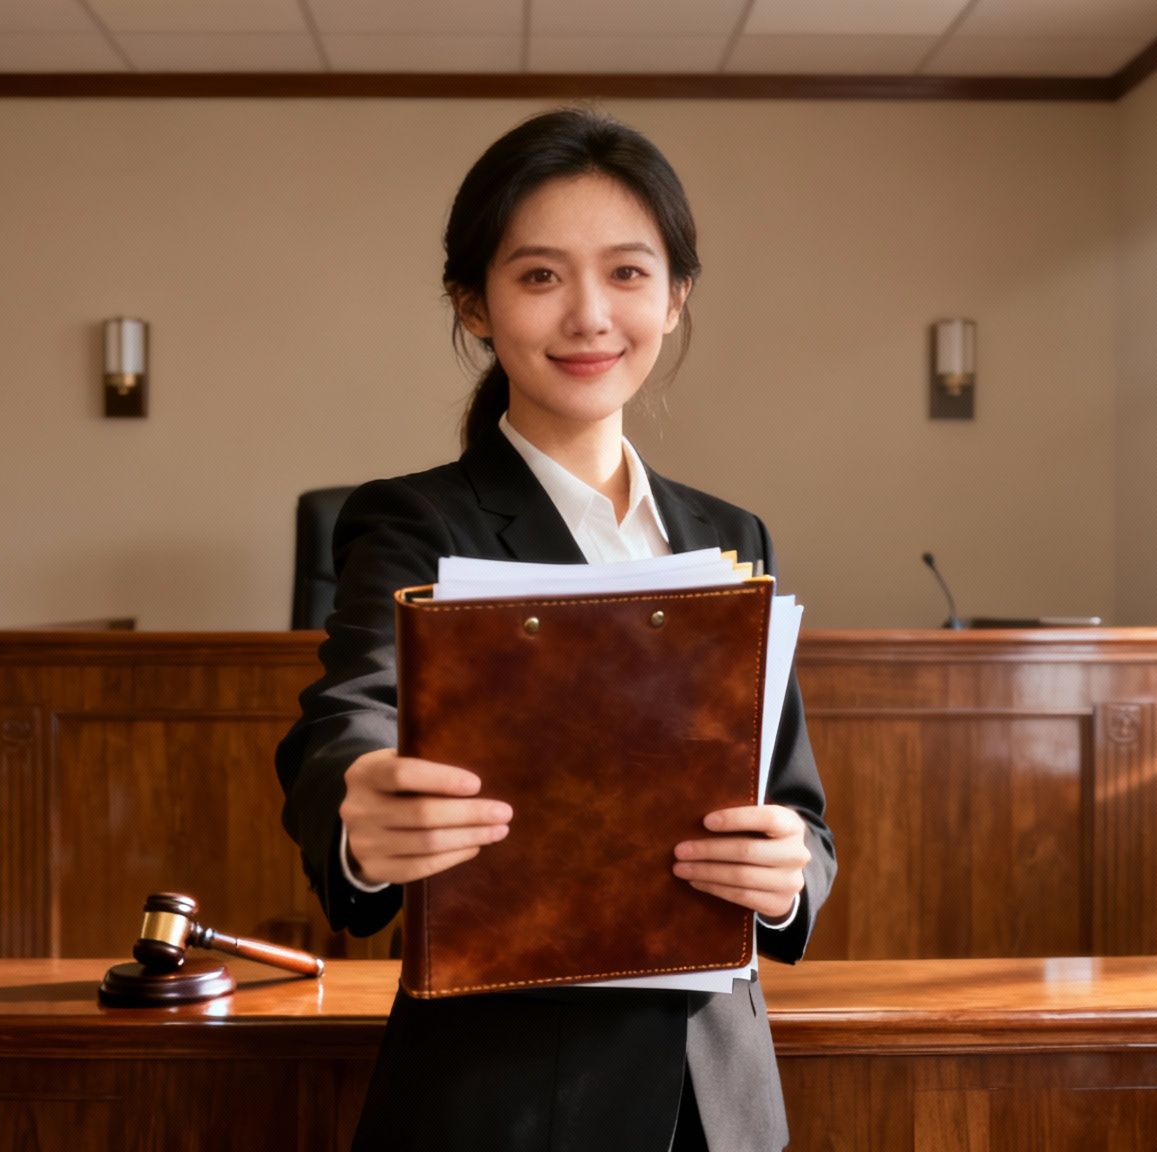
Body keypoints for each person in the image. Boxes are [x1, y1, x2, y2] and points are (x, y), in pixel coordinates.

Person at [272, 106, 836, 1152]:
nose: (588, 316)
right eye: (538, 276)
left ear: (673, 298)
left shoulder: (730, 533)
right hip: (508, 1092)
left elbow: (796, 807)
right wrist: (360, 815)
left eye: (626, 273)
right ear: (473, 304)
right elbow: (346, 720)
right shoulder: (412, 519)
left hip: (720, 1092)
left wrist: (789, 866)